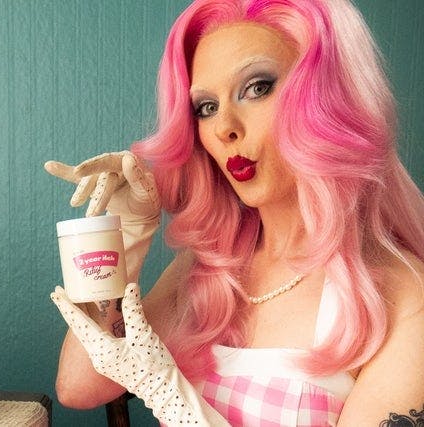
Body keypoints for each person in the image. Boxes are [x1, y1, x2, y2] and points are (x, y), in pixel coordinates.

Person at [45, 0, 424, 425]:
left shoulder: (401, 298)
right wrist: (128, 237)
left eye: (257, 88)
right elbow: (78, 386)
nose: (225, 127)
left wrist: (167, 392)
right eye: (206, 107)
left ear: (329, 97)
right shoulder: (211, 269)